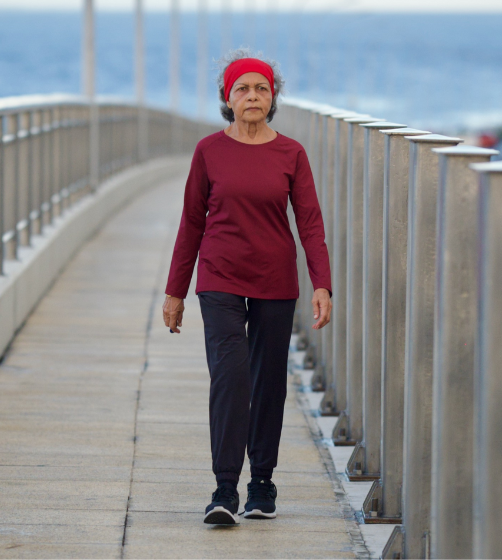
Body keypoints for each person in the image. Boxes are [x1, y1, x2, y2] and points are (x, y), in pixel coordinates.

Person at [161, 50, 332, 525]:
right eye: (242, 88)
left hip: (275, 279)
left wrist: (323, 284)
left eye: (261, 88)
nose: (252, 96)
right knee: (231, 376)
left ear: (272, 97)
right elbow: (191, 222)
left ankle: (262, 483)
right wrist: (175, 291)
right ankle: (223, 489)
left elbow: (310, 223)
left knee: (268, 381)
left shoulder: (291, 153)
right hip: (219, 276)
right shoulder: (209, 151)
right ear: (227, 98)